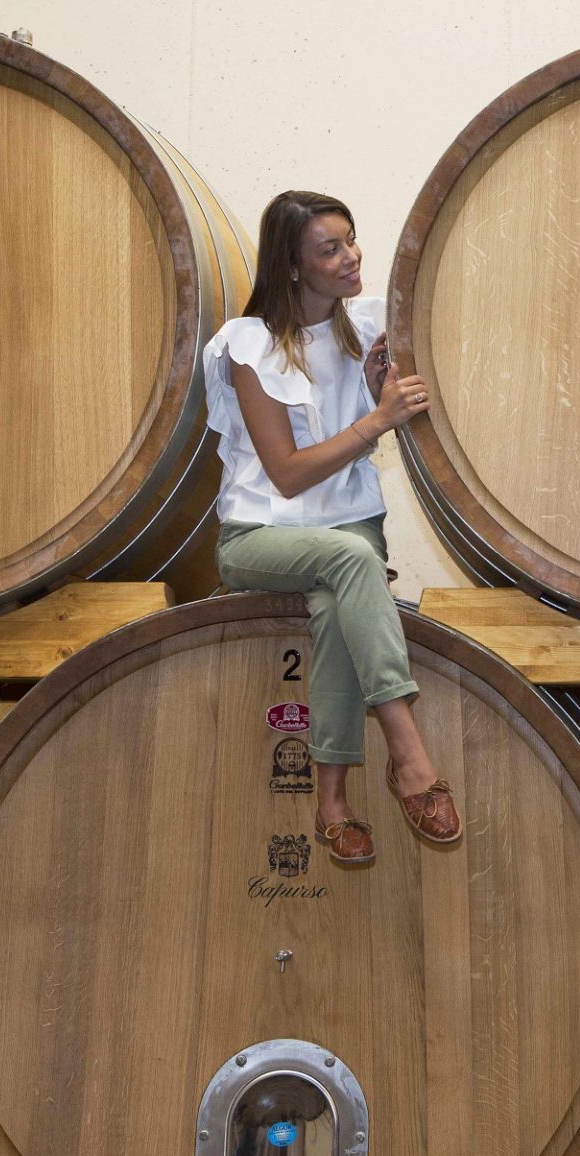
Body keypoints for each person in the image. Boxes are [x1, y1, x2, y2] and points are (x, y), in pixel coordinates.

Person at [204, 189, 460, 865]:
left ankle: (332, 805)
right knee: (350, 561)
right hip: (260, 536)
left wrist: (374, 395)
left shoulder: (368, 327)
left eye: (350, 239)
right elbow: (287, 474)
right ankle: (407, 750)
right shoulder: (249, 345)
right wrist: (376, 421)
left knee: (335, 605)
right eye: (330, 249)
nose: (352, 257)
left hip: (350, 528)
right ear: (292, 266)